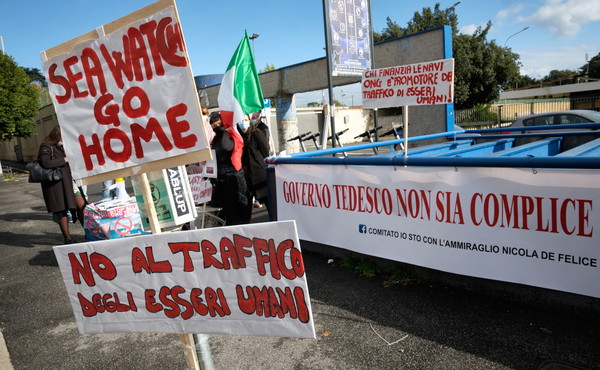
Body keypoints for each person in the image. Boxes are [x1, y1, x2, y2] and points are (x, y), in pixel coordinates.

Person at [37, 125, 86, 244]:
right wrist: (63, 160)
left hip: (69, 182)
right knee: (61, 210)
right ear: (57, 135)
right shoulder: (46, 145)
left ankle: (88, 231)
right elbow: (45, 162)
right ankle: (67, 238)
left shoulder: (60, 146)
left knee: (82, 205)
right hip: (57, 184)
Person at [209, 112, 251, 225]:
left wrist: (223, 130)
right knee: (228, 209)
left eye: (218, 123)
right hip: (221, 178)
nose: (216, 127)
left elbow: (226, 147)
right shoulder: (217, 138)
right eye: (213, 125)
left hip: (234, 176)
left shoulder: (231, 134)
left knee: (239, 206)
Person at [240, 114, 270, 212]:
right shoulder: (239, 137)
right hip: (246, 176)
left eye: (245, 120)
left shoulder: (256, 133)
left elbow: (265, 151)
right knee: (245, 208)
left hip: (259, 174)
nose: (243, 122)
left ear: (249, 121)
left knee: (269, 204)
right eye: (241, 120)